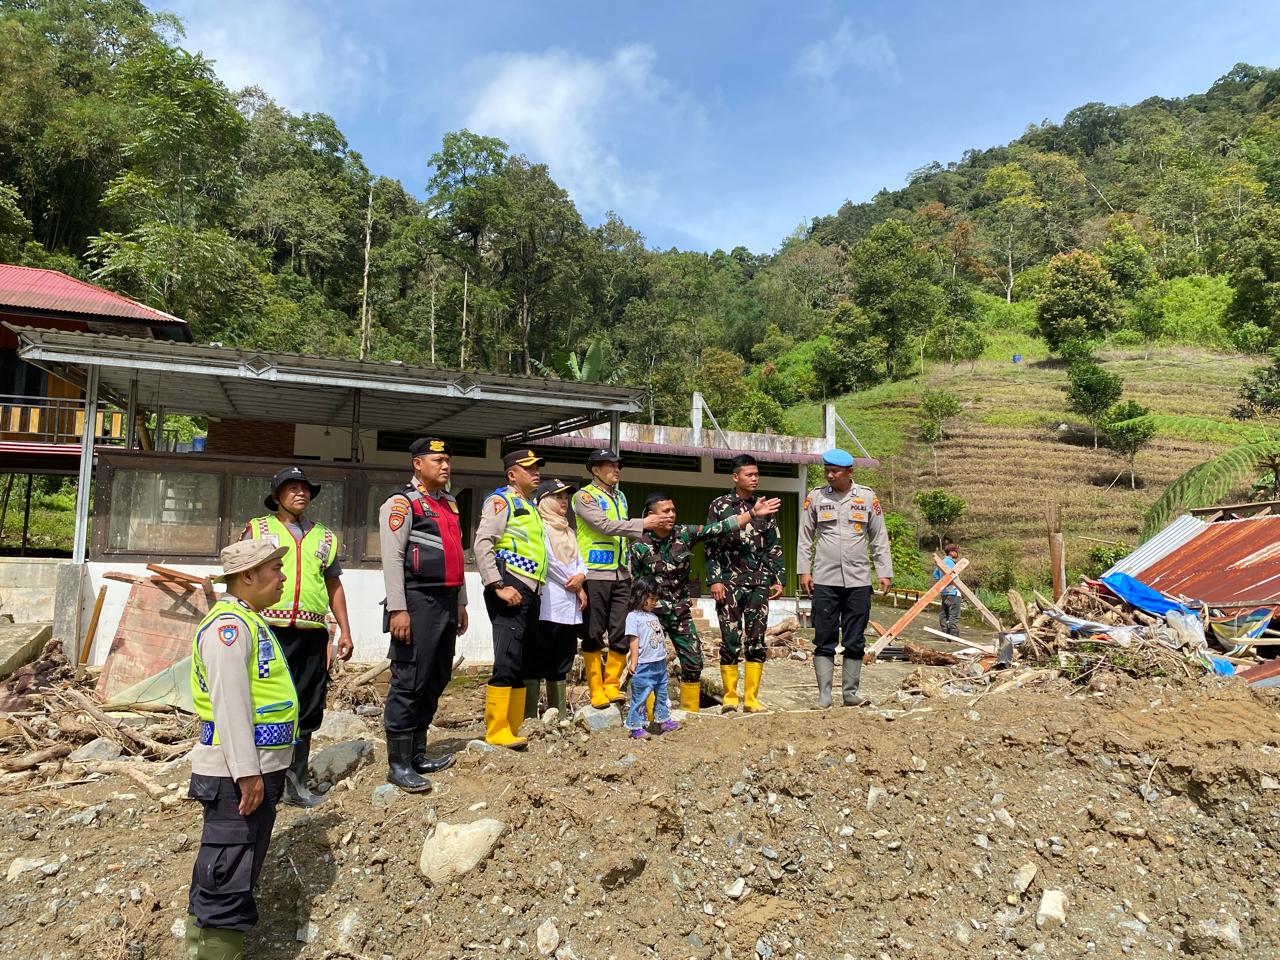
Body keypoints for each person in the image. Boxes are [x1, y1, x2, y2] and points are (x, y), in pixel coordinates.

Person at [184, 539, 296, 959]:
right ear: (248, 576)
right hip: (237, 776)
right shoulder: (228, 628)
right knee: (228, 880)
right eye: (275, 569)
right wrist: (247, 773)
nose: (283, 577)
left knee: (225, 873)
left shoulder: (248, 620)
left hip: (250, 770)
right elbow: (231, 704)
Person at [242, 466, 351, 808]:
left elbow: (333, 584)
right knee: (264, 704)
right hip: (268, 630)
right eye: (291, 488)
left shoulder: (325, 537)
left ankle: (296, 784)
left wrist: (344, 629)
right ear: (277, 497)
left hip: (311, 634)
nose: (300, 493)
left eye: (305, 488)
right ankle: (257, 780)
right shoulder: (258, 530)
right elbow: (240, 576)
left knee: (306, 707)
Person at [630, 491, 780, 712]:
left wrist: (751, 514)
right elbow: (633, 585)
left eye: (673, 510)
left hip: (679, 612)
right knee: (648, 663)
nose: (672, 515)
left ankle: (690, 712)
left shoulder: (684, 534)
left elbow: (720, 527)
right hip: (652, 616)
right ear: (651, 515)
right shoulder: (638, 546)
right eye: (666, 511)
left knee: (693, 661)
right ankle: (649, 713)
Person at [378, 437, 469, 792]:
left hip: (446, 601)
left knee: (436, 676)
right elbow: (392, 559)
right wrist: (398, 609)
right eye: (437, 460)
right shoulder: (402, 503)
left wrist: (461, 601)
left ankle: (417, 753)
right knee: (410, 678)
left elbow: (457, 556)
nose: (445, 466)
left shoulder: (449, 503)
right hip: (416, 601)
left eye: (447, 460)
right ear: (417, 464)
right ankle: (398, 764)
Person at [797, 449, 893, 709]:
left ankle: (850, 693)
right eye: (827, 470)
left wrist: (884, 571)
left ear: (849, 472)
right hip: (825, 580)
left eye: (835, 471)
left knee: (855, 638)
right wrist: (804, 571)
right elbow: (805, 537)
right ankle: (824, 695)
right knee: (824, 637)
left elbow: (879, 536)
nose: (829, 475)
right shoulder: (816, 497)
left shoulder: (866, 497)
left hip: (858, 580)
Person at [572, 449, 666, 707]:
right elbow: (603, 525)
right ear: (595, 470)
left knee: (622, 630)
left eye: (618, 465)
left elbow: (625, 531)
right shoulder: (584, 496)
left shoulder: (621, 496)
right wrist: (643, 524)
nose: (616, 470)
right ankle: (595, 689)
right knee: (592, 632)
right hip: (594, 572)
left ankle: (612, 684)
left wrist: (651, 531)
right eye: (610, 465)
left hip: (621, 573)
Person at [473, 448, 546, 748]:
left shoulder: (530, 505)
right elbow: (482, 543)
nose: (536, 472)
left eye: (538, 467)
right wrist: (496, 584)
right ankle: (497, 729)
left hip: (530, 589)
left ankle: (512, 727)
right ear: (512, 474)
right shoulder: (501, 501)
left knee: (521, 660)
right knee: (506, 658)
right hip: (510, 586)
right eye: (529, 468)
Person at [705, 454, 785, 713]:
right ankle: (730, 696)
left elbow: (774, 544)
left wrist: (778, 578)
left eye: (756, 474)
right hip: (728, 583)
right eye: (749, 474)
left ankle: (751, 699)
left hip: (758, 583)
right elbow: (711, 544)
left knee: (756, 640)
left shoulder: (764, 506)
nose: (754, 478)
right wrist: (714, 579)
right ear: (735, 477)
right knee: (729, 639)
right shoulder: (720, 506)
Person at [526, 478, 588, 719]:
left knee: (562, 658)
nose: (564, 501)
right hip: (548, 603)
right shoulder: (540, 527)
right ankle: (530, 716)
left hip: (569, 606)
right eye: (558, 497)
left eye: (565, 497)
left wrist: (582, 576)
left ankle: (558, 715)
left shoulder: (568, 529)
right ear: (544, 502)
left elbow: (580, 560)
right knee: (537, 656)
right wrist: (575, 585)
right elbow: (549, 561)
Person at [623, 576, 680, 739]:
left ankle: (663, 719)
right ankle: (636, 726)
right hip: (644, 665)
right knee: (641, 695)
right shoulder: (633, 617)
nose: (655, 602)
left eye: (656, 599)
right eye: (652, 599)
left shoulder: (653, 617)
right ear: (641, 596)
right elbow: (633, 640)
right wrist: (634, 661)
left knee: (662, 692)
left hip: (659, 664)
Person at [935, 542, 963, 636]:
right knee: (953, 616)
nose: (957, 553)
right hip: (953, 592)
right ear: (951, 552)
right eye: (956, 551)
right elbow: (952, 577)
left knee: (943, 615)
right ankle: (954, 636)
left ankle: (945, 634)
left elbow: (935, 575)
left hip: (944, 593)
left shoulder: (942, 562)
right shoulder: (950, 563)